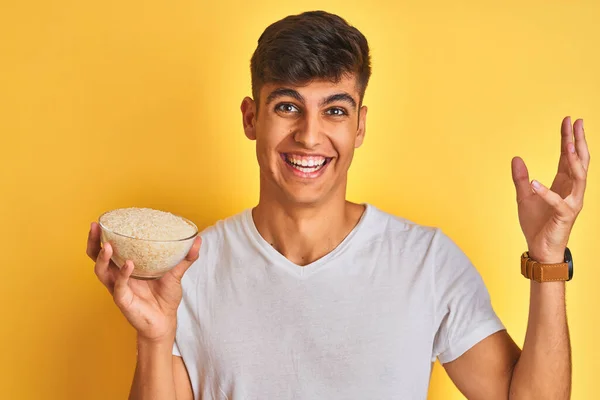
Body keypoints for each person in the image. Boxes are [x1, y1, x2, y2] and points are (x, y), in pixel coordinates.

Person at [86, 10, 590, 400]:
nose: (309, 135)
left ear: (359, 126)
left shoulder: (425, 261)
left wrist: (548, 261)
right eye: (287, 106)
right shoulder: (190, 269)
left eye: (334, 110)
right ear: (250, 118)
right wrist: (155, 339)